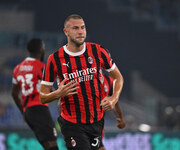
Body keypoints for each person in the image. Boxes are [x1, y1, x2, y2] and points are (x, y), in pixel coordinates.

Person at [39, 14, 124, 150]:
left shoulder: (98, 51)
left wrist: (114, 98)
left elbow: (118, 77)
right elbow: (42, 97)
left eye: (83, 28)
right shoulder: (54, 60)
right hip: (72, 124)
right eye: (75, 28)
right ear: (66, 31)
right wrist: (58, 93)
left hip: (96, 122)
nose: (80, 31)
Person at [11, 38, 59, 150]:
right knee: (52, 145)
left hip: (28, 111)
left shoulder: (17, 68)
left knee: (47, 145)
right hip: (40, 108)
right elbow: (50, 91)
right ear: (41, 50)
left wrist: (23, 111)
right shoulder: (41, 67)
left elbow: (14, 93)